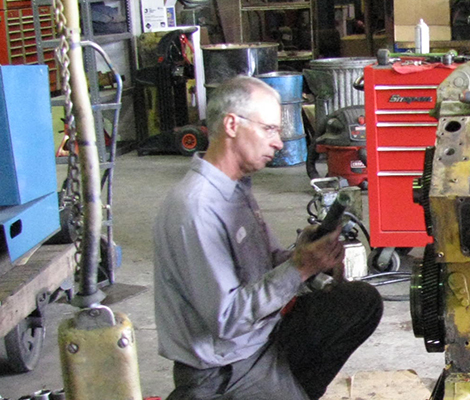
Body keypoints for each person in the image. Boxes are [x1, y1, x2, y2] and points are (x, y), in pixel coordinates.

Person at [153, 76, 383, 400]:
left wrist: (301, 256)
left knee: (359, 302)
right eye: (269, 129)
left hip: (262, 338)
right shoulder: (197, 208)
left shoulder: (236, 188)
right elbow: (228, 319)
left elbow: (261, 266)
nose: (279, 142)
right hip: (224, 368)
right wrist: (300, 268)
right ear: (232, 124)